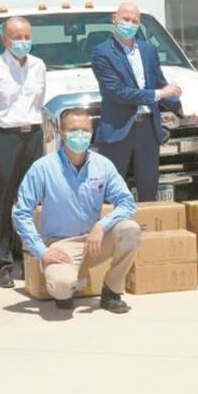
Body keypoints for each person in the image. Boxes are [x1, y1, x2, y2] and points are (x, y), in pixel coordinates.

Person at [12, 108, 141, 313]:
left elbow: (127, 202)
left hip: (94, 241)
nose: (80, 135)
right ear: (61, 133)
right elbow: (20, 213)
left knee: (130, 229)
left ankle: (111, 291)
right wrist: (41, 251)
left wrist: (102, 225)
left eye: (85, 130)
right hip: (60, 246)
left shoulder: (103, 165)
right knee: (62, 288)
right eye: (73, 129)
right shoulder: (42, 168)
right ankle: (65, 286)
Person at [0, 16, 46, 288]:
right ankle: (2, 263)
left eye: (27, 36)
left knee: (31, 199)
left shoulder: (39, 66)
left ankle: (27, 257)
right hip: (4, 136)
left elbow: (39, 100)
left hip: (33, 135)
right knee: (3, 200)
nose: (23, 42)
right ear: (5, 40)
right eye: (17, 37)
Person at [91, 2, 183, 202]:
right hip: (118, 130)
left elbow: (160, 83)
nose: (130, 24)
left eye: (135, 21)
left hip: (148, 130)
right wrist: (158, 94)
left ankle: (148, 229)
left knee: (149, 188)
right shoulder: (102, 52)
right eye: (126, 19)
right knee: (112, 190)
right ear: (114, 18)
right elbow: (117, 92)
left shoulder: (149, 50)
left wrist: (181, 108)